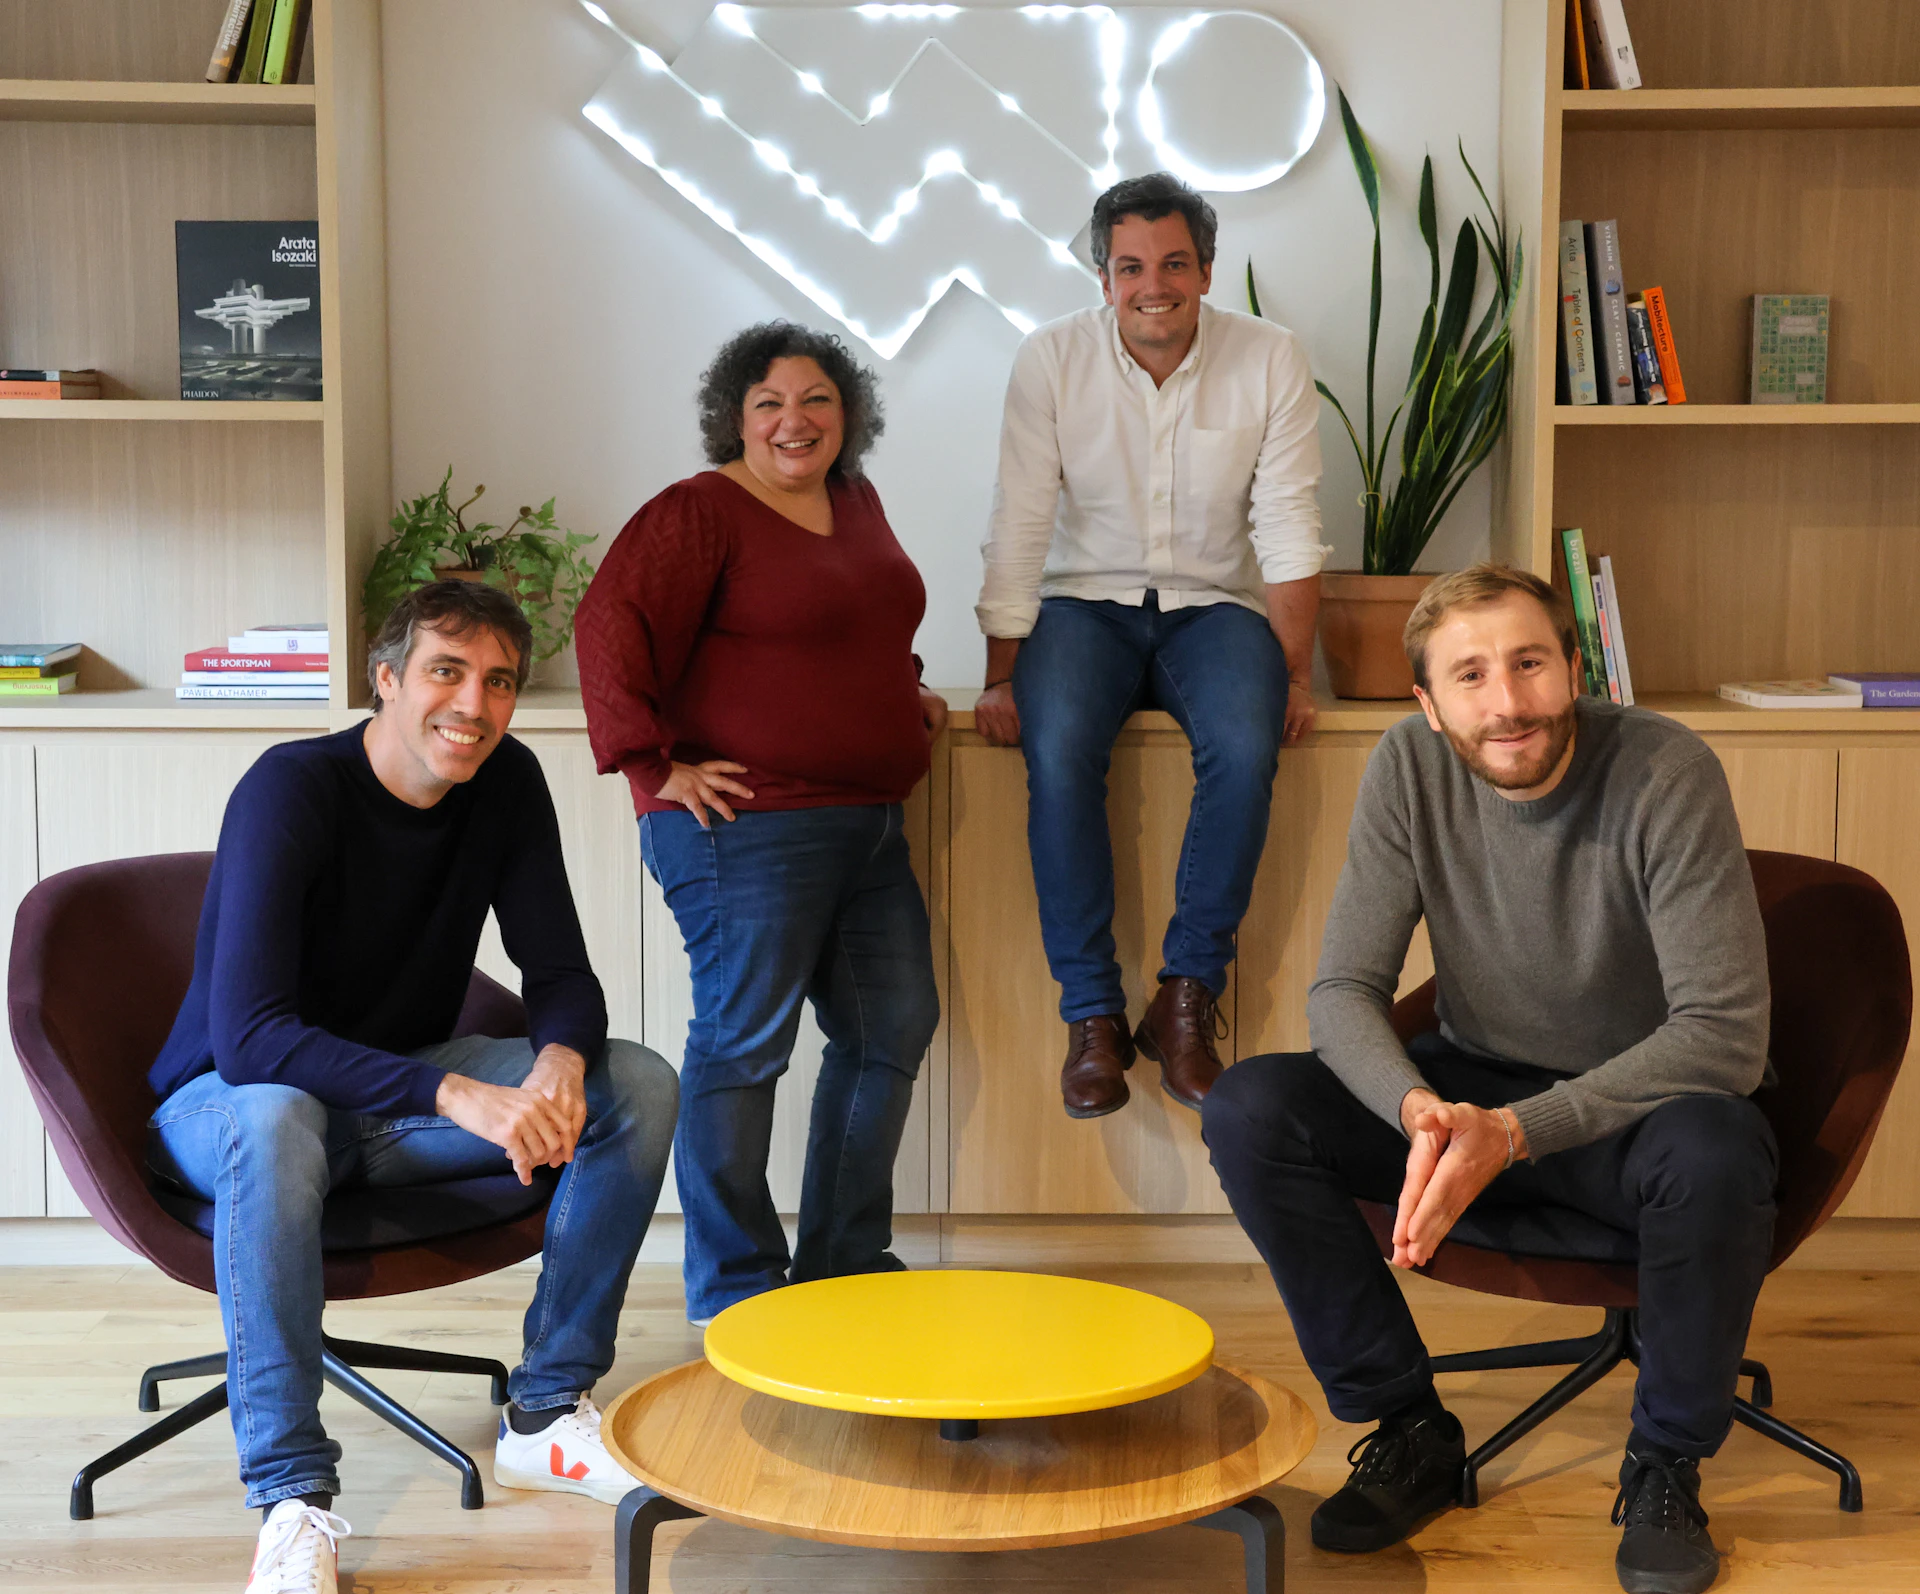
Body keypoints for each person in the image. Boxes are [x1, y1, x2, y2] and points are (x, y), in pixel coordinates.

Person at [1201, 564, 1775, 1594]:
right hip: (1470, 1090)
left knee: (1719, 1145)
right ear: (1427, 704)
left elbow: (1725, 1034)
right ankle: (1409, 1426)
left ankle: (1664, 1468)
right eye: (1469, 676)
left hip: (1638, 1111)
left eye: (1528, 663)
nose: (1506, 702)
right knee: (1253, 1107)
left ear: (1573, 666)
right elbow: (1343, 990)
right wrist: (1421, 1112)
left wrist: (1513, 1132)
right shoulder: (1408, 769)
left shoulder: (1664, 767)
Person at [146, 580, 679, 1594]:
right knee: (275, 1116)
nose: (472, 706)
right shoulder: (289, 788)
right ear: (386, 679)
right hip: (225, 1101)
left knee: (638, 1084)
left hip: (382, 1102)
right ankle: (293, 1498)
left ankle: (546, 1413)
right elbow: (253, 1037)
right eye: (445, 671)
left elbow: (560, 974)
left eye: (499, 682)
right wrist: (458, 1097)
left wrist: (558, 1065)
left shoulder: (506, 783)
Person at [576, 321, 945, 1327]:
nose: (796, 420)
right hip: (748, 826)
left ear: (848, 414)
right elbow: (608, 624)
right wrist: (654, 765)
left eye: (817, 400)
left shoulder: (855, 501)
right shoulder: (700, 513)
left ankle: (841, 1260)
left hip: (867, 822)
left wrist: (902, 693)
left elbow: (864, 620)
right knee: (745, 1044)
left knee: (893, 1024)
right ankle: (736, 1289)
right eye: (770, 403)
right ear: (734, 419)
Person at [974, 170, 1327, 1121]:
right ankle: (1090, 1015)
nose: (1153, 284)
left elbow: (1290, 521)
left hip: (1216, 609)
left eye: (1174, 262)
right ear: (1103, 278)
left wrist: (1297, 673)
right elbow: (1019, 520)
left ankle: (1184, 998)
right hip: (1082, 607)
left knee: (1250, 746)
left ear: (1208, 271)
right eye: (1131, 266)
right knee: (1056, 751)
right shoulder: (1049, 360)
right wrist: (1002, 670)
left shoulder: (1270, 357)